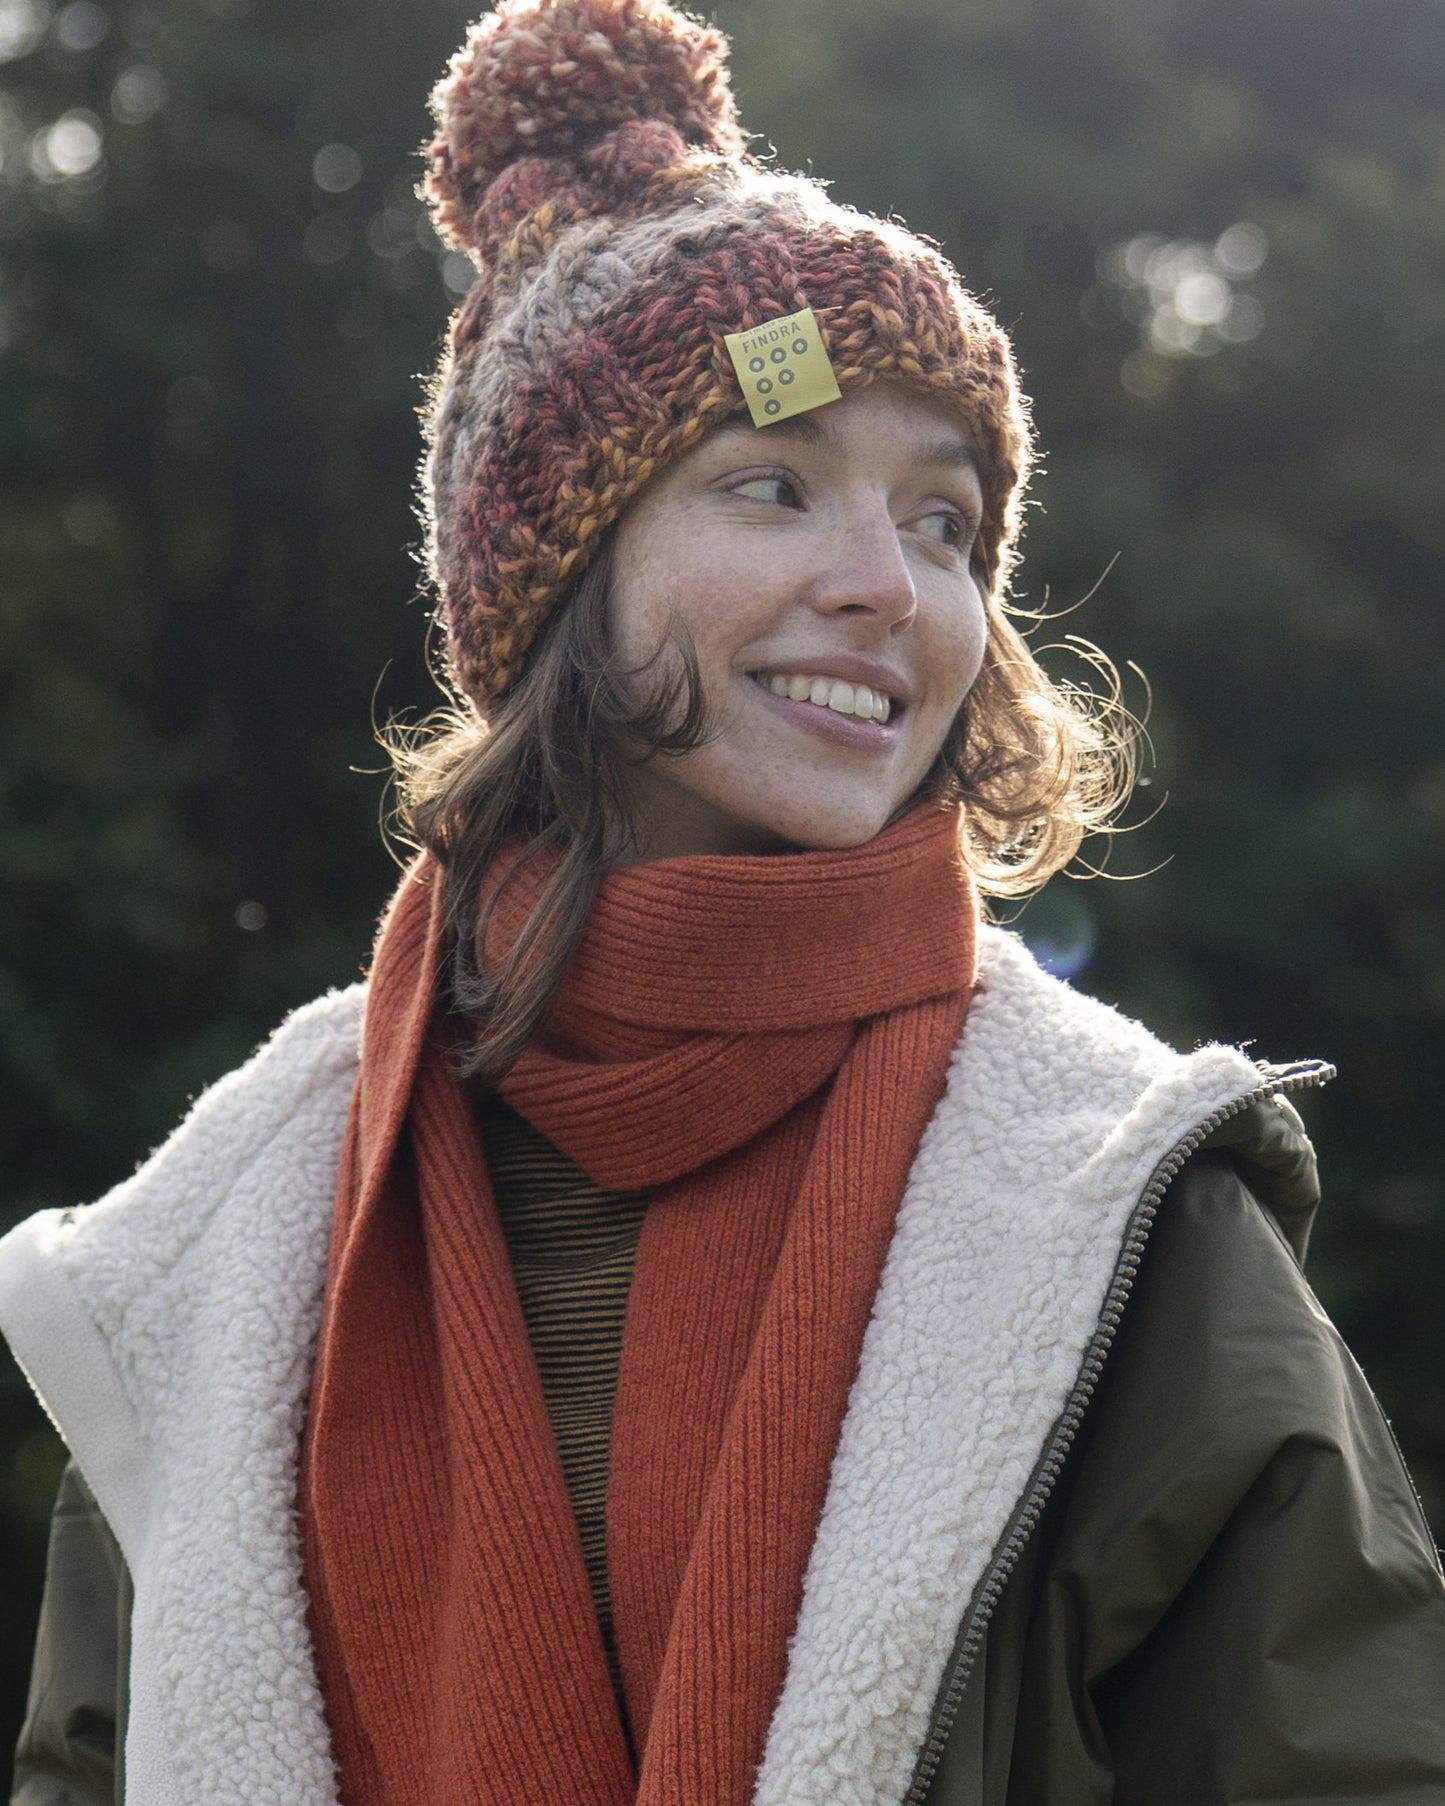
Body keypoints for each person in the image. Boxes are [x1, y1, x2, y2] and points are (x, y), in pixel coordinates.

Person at [5, 0, 1445, 1801]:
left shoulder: (1115, 1212)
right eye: (770, 487)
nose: (886, 588)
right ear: (550, 592)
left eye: (942, 521)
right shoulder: (219, 1253)